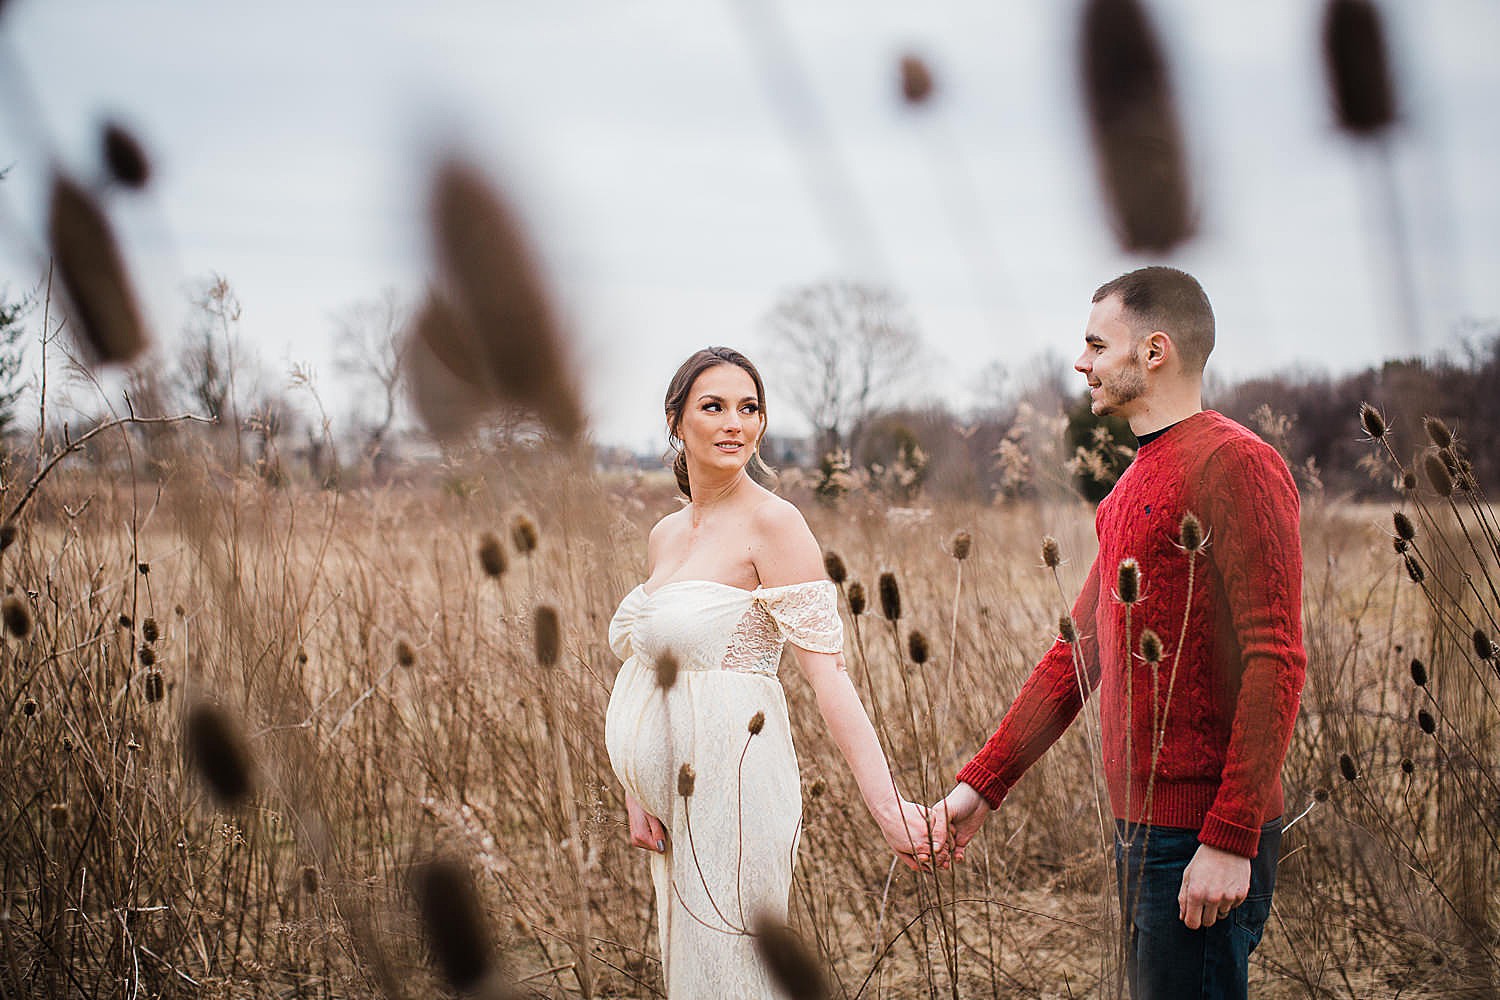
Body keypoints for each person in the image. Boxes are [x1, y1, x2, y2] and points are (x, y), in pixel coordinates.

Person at [937, 267, 1305, 999]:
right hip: (1142, 827)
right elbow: (1079, 652)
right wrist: (982, 785)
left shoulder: (1236, 463)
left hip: (1202, 835)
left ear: (1156, 351)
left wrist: (1228, 837)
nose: (1082, 363)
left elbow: (1276, 660)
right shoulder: (1134, 482)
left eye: (1096, 344)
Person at [604, 346, 942, 999]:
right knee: (692, 969)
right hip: (671, 797)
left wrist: (889, 808)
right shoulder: (664, 535)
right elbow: (649, 667)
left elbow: (829, 675)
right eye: (714, 406)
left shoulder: (774, 523)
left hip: (736, 786)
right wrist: (633, 787)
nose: (735, 422)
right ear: (676, 421)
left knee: (739, 970)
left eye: (749, 407)